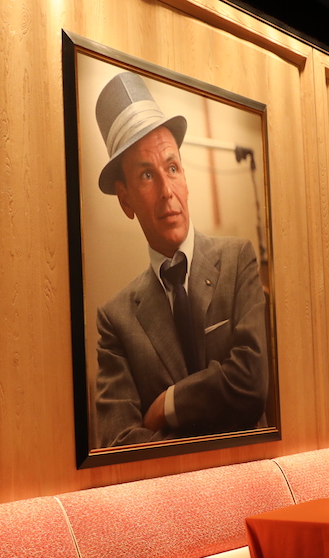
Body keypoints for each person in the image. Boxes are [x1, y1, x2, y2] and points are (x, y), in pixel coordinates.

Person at [91, 71, 268, 448]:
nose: (166, 191)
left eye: (172, 168)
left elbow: (251, 382)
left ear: (185, 178)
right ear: (125, 199)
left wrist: (167, 405)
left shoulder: (237, 260)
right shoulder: (116, 319)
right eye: (146, 175)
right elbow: (119, 442)